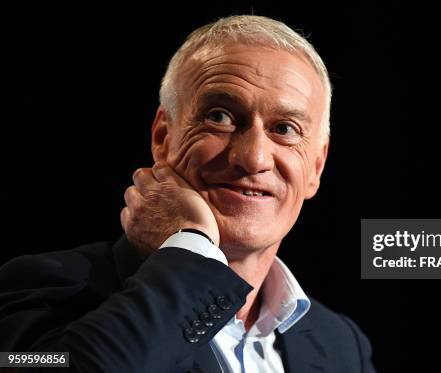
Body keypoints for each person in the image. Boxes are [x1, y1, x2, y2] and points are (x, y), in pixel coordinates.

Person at [0, 15, 375, 372]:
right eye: (220, 117)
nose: (253, 158)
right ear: (163, 138)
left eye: (285, 128)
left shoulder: (341, 343)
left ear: (316, 168)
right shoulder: (40, 288)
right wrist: (193, 248)